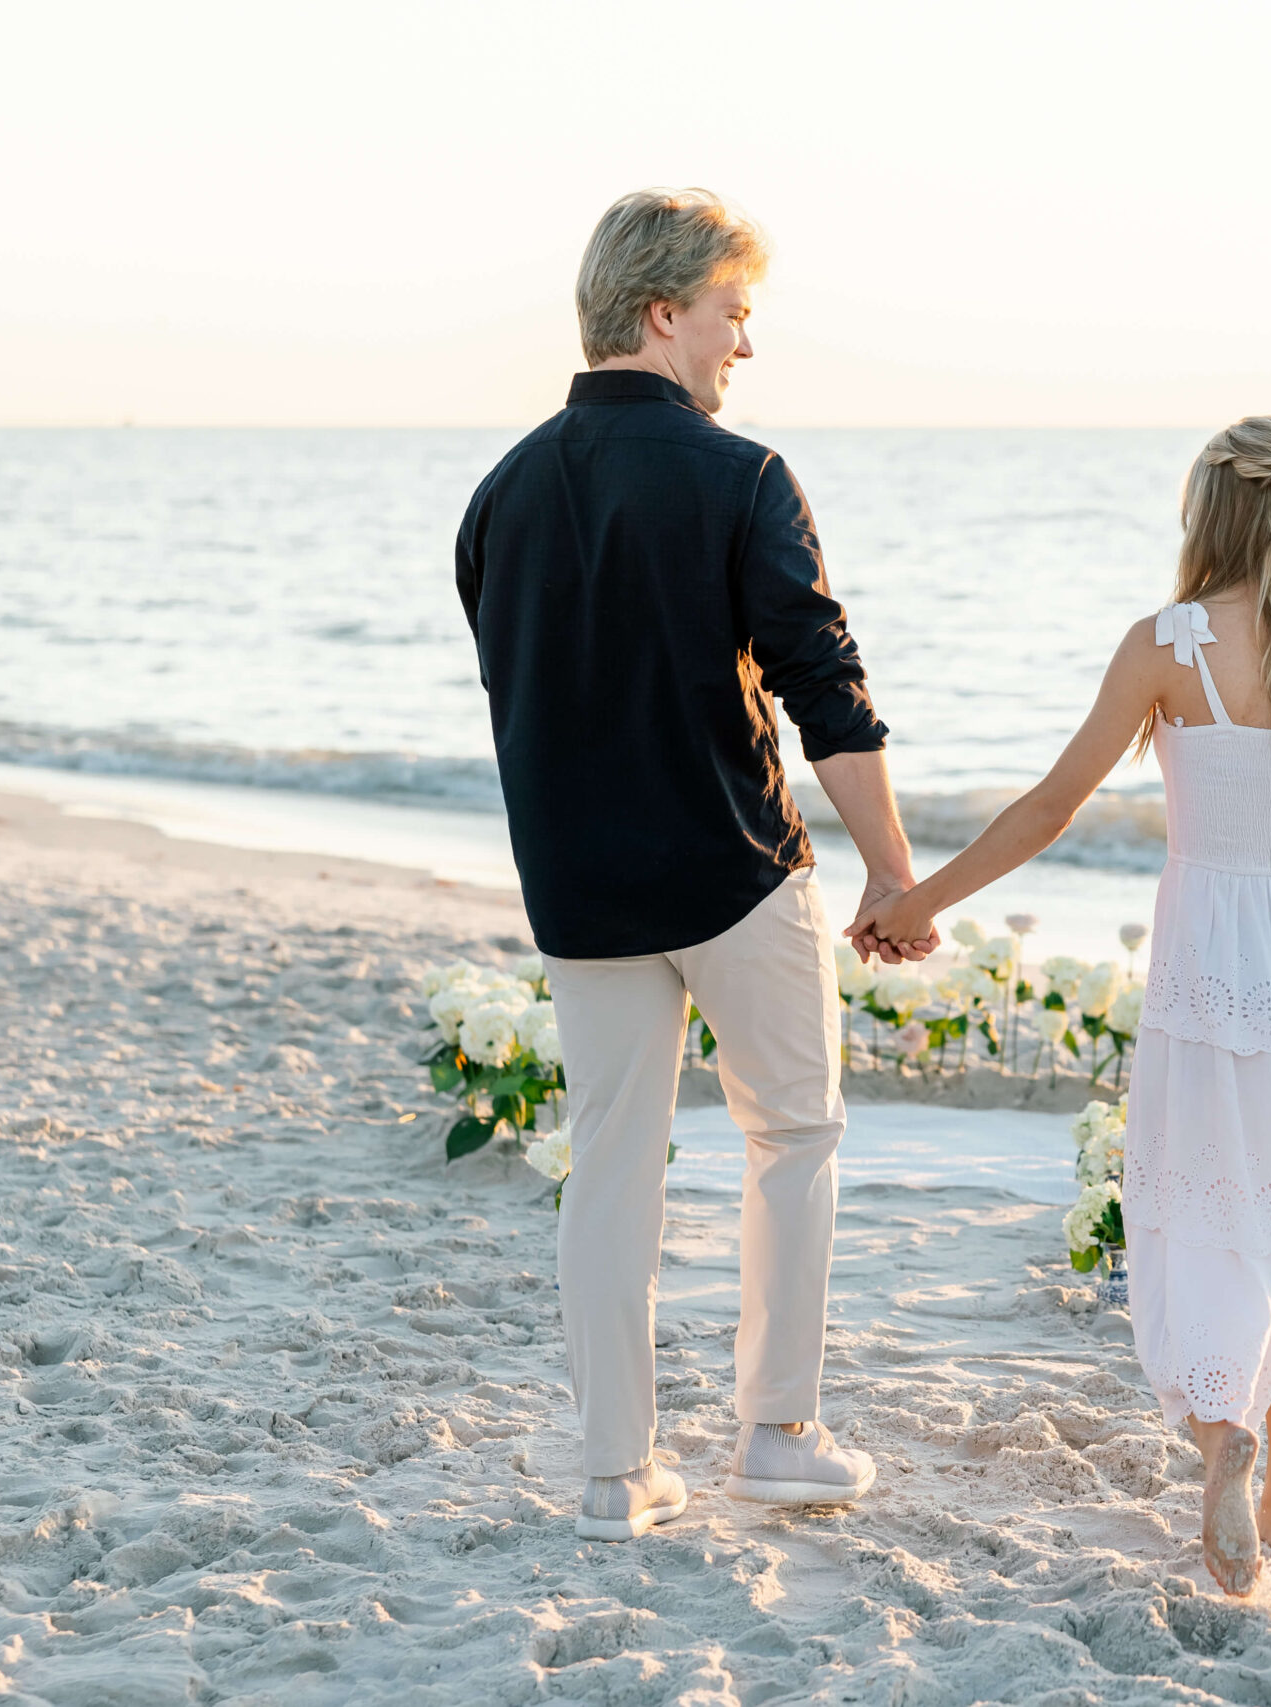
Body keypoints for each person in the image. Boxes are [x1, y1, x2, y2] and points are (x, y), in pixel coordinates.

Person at [456, 188, 938, 1541]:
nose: (744, 345)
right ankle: (778, 1431)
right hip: (733, 873)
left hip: (582, 892)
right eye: (735, 313)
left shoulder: (497, 498)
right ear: (664, 312)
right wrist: (893, 876)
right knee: (795, 1134)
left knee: (613, 1160)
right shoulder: (745, 478)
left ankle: (617, 1473)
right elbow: (824, 693)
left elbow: (530, 701)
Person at [850, 416, 1271, 1594]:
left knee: (1202, 1218)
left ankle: (1218, 1437)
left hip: (1210, 963)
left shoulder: (1168, 645)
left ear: (1207, 511)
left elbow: (1049, 809)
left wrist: (916, 900)